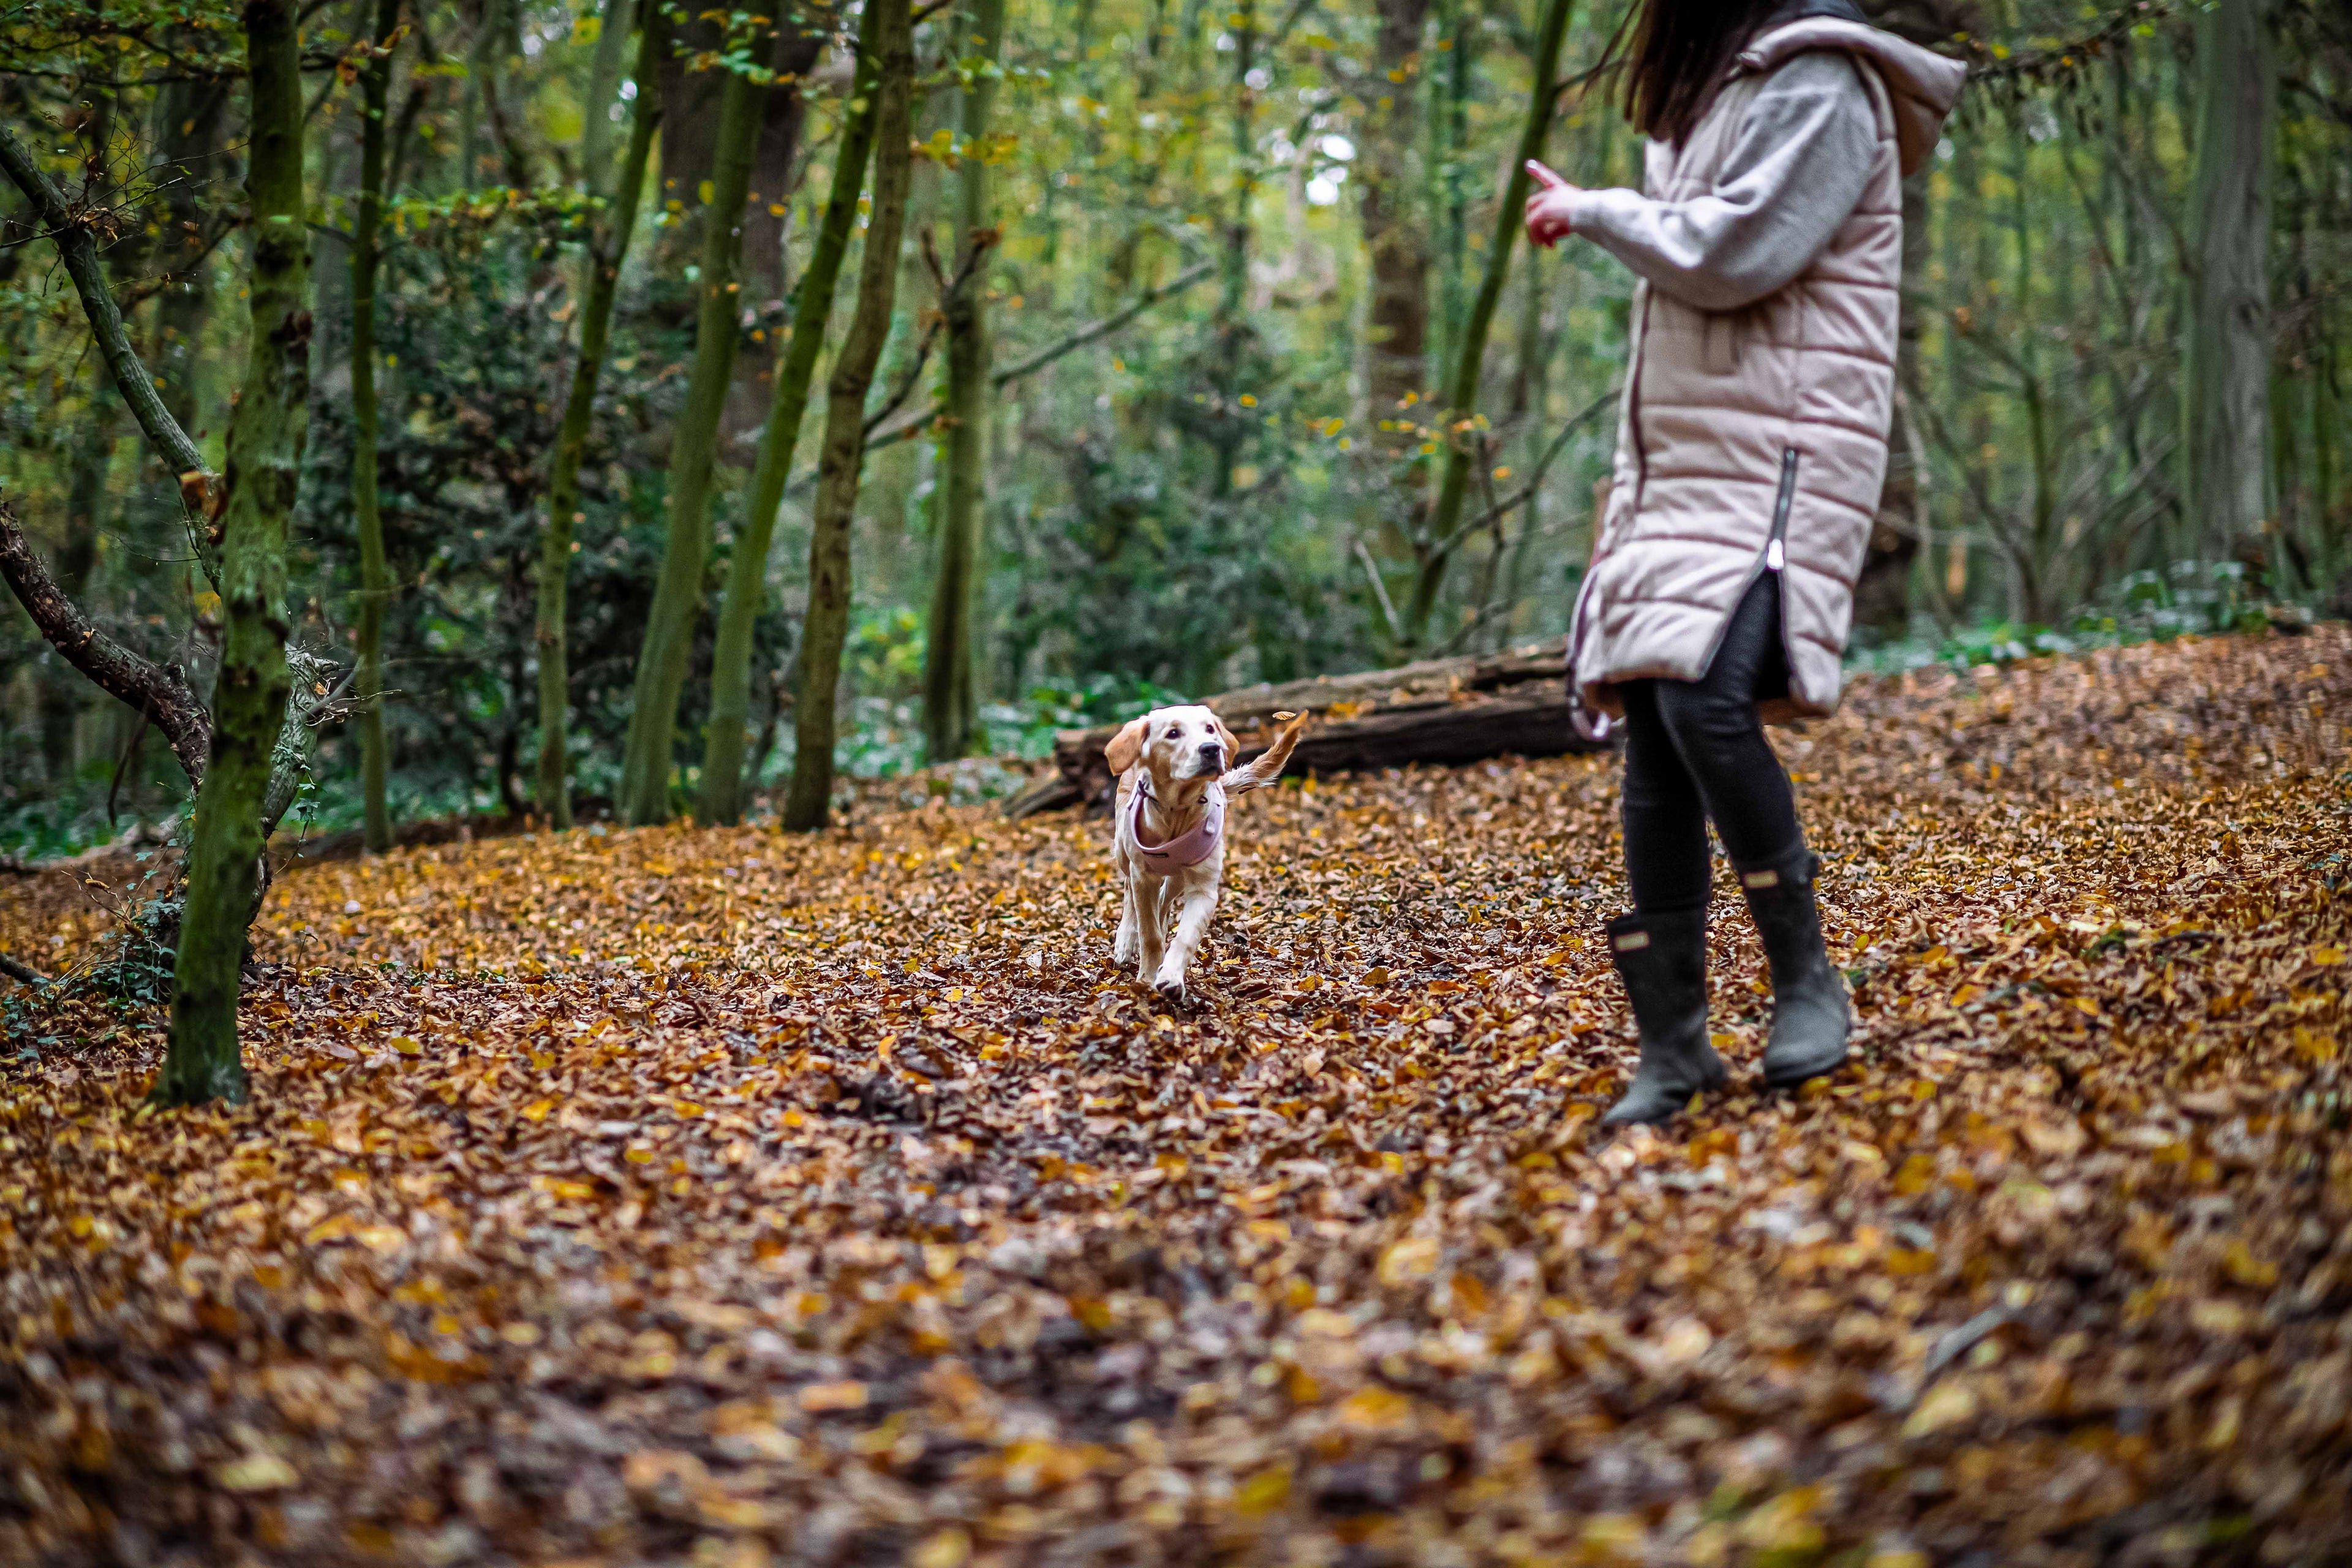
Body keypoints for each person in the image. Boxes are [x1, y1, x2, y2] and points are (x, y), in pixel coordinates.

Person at [1523, 0, 1964, 1126]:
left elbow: (1732, 255)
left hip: (1781, 453)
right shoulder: (1710, 93)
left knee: (1709, 702)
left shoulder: (1821, 83)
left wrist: (1595, 210)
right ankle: (1673, 1048)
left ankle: (1810, 982)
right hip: (1680, 464)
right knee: (1656, 728)